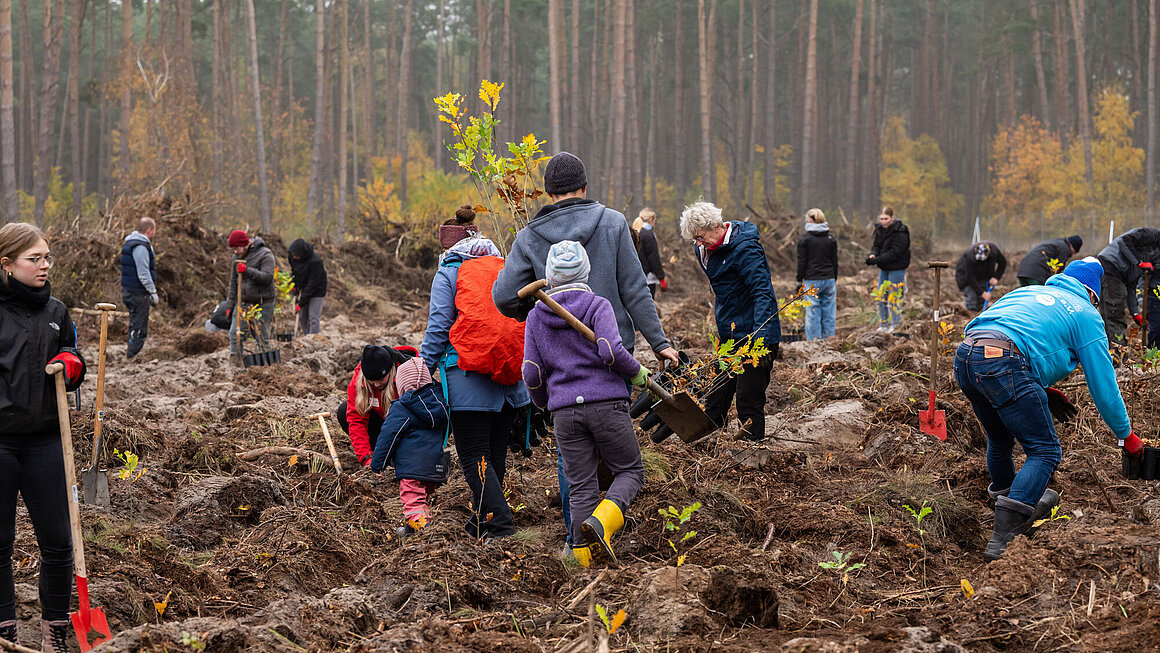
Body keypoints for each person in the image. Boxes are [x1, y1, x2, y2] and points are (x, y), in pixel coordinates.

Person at [953, 257, 1140, 562]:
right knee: (1044, 450)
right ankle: (1004, 539)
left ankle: (1009, 500)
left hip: (967, 356)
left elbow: (982, 328)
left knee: (999, 439)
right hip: (1005, 363)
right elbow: (1104, 387)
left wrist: (1033, 382)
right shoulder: (1085, 314)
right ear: (1093, 294)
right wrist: (1126, 435)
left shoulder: (1025, 293)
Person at [523, 241, 648, 567]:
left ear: (549, 275)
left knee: (580, 487)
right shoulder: (597, 305)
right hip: (606, 403)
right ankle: (604, 522)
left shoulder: (537, 316)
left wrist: (545, 402)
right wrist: (637, 372)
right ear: (586, 271)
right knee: (630, 470)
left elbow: (531, 373)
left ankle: (581, 560)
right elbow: (609, 351)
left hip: (564, 411)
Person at [492, 152, 680, 368]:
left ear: (549, 193)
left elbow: (504, 297)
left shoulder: (529, 236)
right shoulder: (614, 223)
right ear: (584, 187)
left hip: (558, 353)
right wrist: (658, 342)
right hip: (613, 350)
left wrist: (533, 304)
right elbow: (635, 289)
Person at [0, 223, 88, 652]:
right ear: (7, 264)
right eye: (34, 258)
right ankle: (5, 633)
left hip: (46, 441)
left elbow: (73, 353)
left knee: (58, 540)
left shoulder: (57, 312)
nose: (44, 265)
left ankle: (55, 631)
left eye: (47, 257)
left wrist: (72, 364)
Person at [421, 235, 530, 542]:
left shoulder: (449, 271)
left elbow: (440, 324)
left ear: (449, 247)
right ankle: (483, 519)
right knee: (494, 456)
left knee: (473, 456)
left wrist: (423, 366)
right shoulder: (504, 266)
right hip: (511, 378)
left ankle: (501, 525)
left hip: (468, 377)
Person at [681, 200, 780, 441]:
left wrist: (762, 339)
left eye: (701, 237)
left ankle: (751, 452)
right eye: (694, 239)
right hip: (730, 334)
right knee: (716, 393)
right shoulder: (703, 249)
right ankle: (704, 446)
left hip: (756, 335)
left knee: (748, 399)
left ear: (715, 226)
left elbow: (762, 292)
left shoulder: (745, 249)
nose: (698, 243)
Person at [369, 356, 450, 538]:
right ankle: (412, 530)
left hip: (412, 468)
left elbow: (388, 435)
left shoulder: (403, 407)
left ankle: (425, 535)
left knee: (412, 502)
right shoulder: (440, 404)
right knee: (422, 500)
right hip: (435, 467)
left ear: (402, 384)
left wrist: (378, 463)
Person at [336, 344, 416, 468]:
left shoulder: (408, 377)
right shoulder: (359, 380)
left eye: (380, 380)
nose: (376, 384)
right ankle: (380, 456)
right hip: (381, 424)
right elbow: (356, 420)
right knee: (344, 410)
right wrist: (366, 458)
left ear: (390, 372)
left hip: (407, 428)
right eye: (371, 381)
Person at [1096, 228, 1160, 344]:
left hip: (1112, 271)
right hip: (1111, 268)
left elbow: (1131, 287)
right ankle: (1119, 354)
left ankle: (1112, 354)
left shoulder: (1149, 256)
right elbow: (1124, 241)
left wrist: (1135, 314)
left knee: (1107, 315)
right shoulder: (1150, 235)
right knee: (1115, 313)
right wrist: (1139, 262)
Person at [225, 230, 276, 358]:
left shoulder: (265, 255)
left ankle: (268, 368)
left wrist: (247, 271)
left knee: (261, 337)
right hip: (243, 302)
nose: (235, 251)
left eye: (237, 248)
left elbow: (268, 277)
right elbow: (233, 283)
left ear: (245, 244)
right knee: (235, 335)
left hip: (262, 303)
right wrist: (230, 305)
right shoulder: (236, 258)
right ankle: (236, 365)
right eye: (233, 249)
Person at [864, 207, 910, 332]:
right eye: (882, 219)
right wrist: (873, 254)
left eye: (886, 219)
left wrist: (877, 259)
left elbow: (896, 252)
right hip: (884, 268)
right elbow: (876, 245)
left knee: (894, 296)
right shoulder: (879, 230)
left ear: (892, 218)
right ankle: (884, 324)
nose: (884, 221)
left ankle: (895, 324)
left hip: (897, 268)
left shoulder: (901, 231)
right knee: (881, 295)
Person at [796, 208, 838, 340]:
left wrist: (798, 280)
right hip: (829, 279)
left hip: (811, 280)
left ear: (810, 220)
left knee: (813, 312)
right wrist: (834, 277)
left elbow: (801, 262)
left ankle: (814, 342)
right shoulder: (831, 239)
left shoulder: (805, 239)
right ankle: (829, 340)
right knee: (829, 312)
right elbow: (834, 261)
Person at [120, 217, 159, 359]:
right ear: (149, 230)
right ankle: (133, 355)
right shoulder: (141, 247)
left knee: (135, 324)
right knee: (139, 327)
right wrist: (153, 291)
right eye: (154, 230)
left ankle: (132, 352)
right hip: (137, 293)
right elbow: (143, 273)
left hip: (129, 290)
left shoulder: (132, 243)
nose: (155, 233)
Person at [287, 238, 328, 335]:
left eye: (295, 255)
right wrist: (294, 286)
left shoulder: (316, 261)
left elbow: (313, 284)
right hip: (303, 287)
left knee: (313, 317)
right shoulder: (292, 257)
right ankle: (306, 336)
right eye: (292, 254)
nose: (293, 256)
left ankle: (313, 338)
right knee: (302, 317)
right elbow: (295, 272)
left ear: (302, 254)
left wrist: (300, 303)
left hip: (317, 289)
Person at [955, 241, 1008, 312]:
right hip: (965, 277)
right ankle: (970, 316)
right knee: (971, 298)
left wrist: (996, 277)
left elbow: (1003, 263)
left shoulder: (994, 251)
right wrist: (982, 293)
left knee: (982, 302)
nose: (981, 261)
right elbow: (970, 277)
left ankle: (980, 314)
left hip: (983, 276)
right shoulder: (970, 256)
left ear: (988, 253)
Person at [1015, 235, 1082, 286]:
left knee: (1025, 298)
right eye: (1074, 253)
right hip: (1036, 274)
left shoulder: (1057, 243)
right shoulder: (1065, 248)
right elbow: (1057, 268)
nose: (1071, 255)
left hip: (1022, 271)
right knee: (1038, 298)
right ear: (1073, 247)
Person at [636, 208, 667, 298]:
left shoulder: (636, 232)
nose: (655, 223)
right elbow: (653, 257)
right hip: (648, 277)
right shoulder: (648, 235)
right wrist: (661, 277)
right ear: (651, 219)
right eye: (655, 221)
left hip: (637, 275)